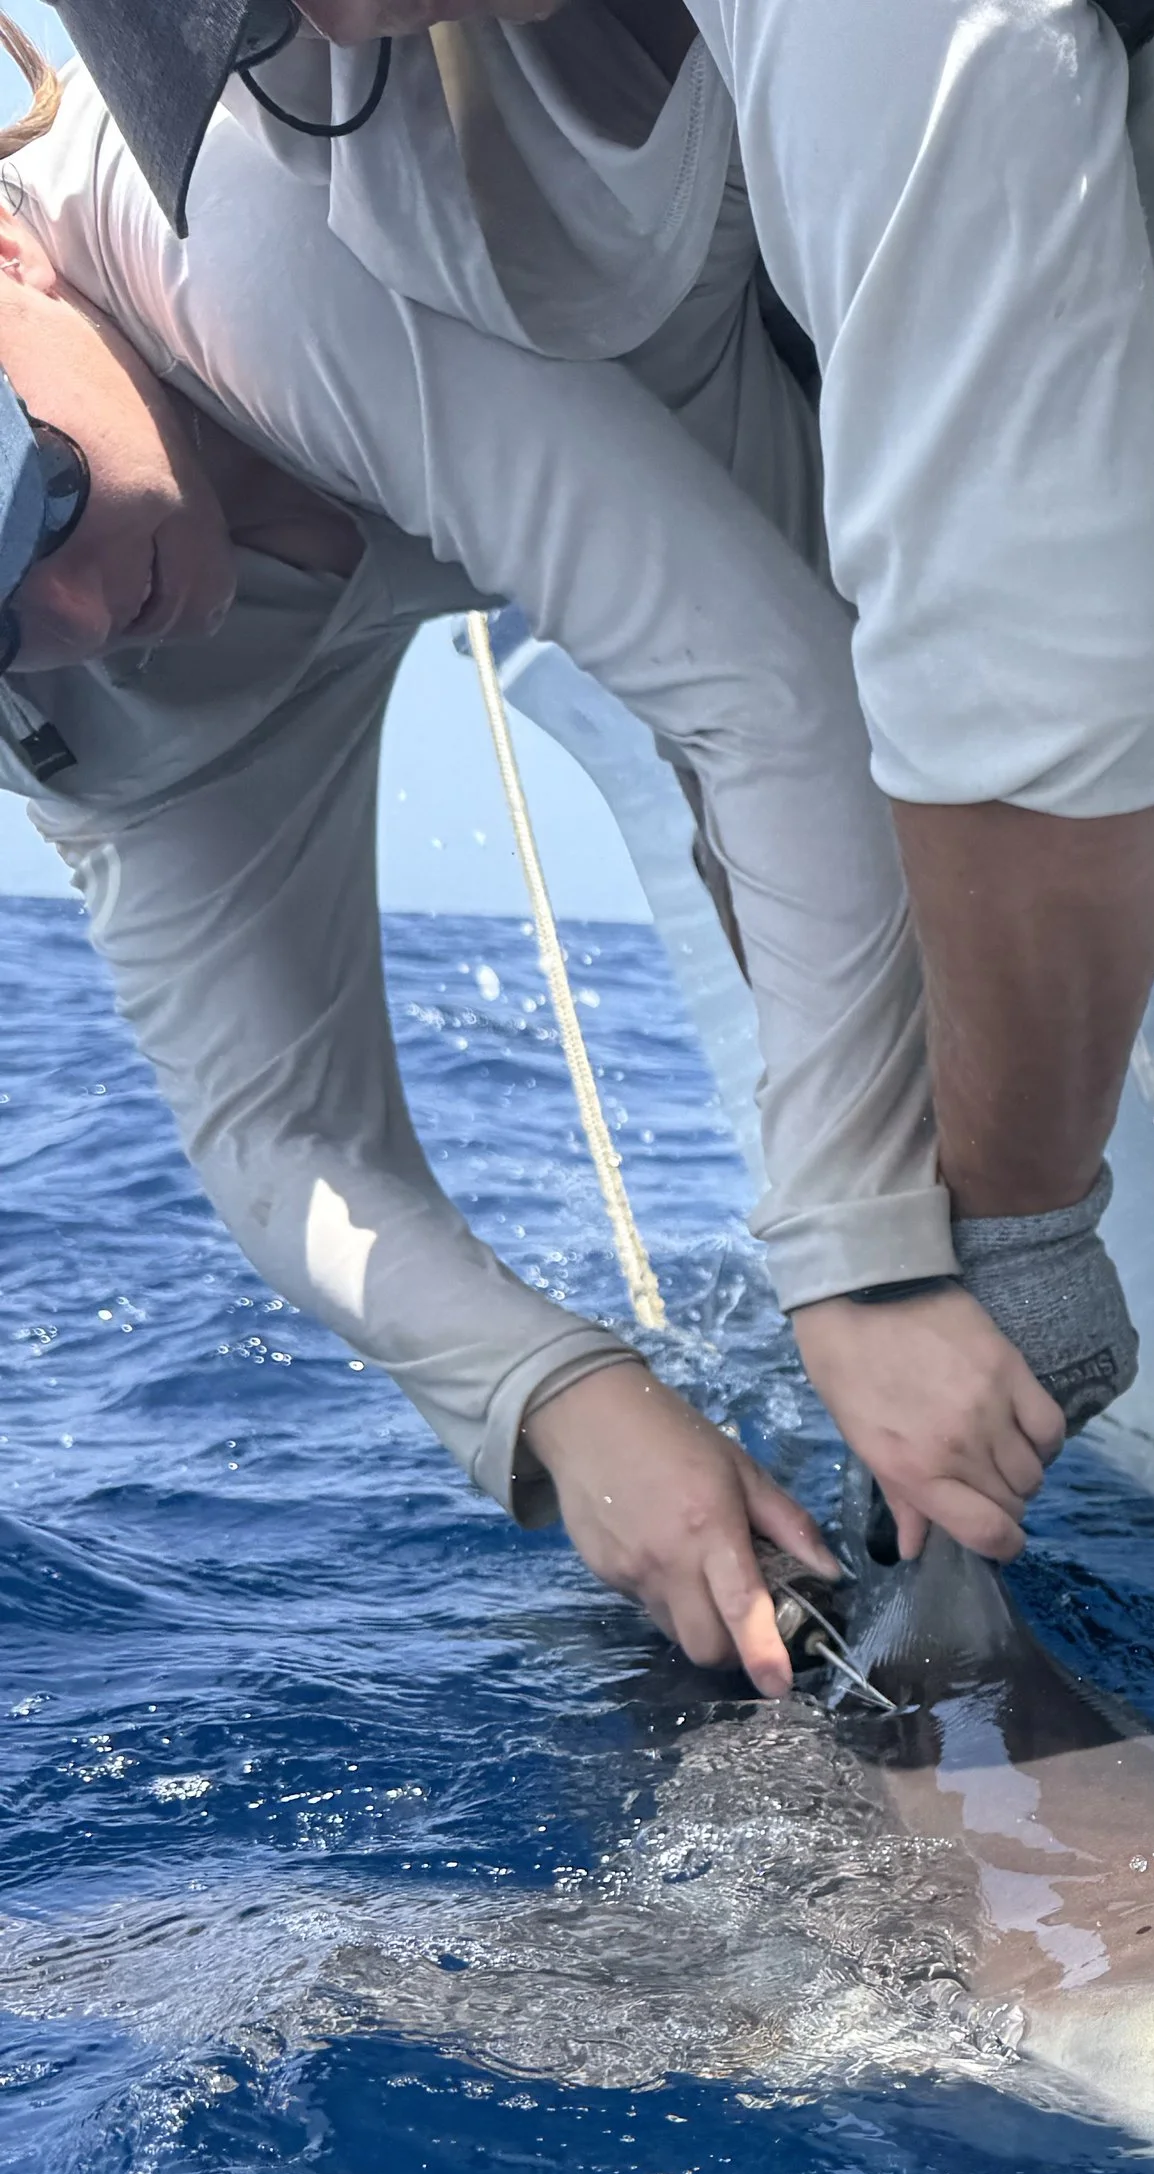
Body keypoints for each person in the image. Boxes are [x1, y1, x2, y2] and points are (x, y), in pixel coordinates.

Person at [0, 29, 1097, 1690]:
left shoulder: (220, 230)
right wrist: (554, 1396)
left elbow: (775, 703)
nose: (67, 623)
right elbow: (275, 1136)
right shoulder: (70, 702)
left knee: (848, 826)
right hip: (490, 549)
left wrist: (862, 1261)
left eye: (28, 508)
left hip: (665, 313)